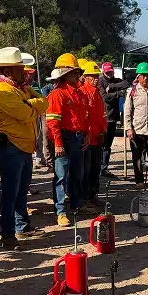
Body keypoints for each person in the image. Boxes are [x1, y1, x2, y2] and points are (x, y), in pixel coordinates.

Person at [0, 47, 50, 248]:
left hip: (23, 148)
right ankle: (7, 235)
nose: (24, 72)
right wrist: (33, 107)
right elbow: (29, 113)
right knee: (10, 194)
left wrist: (31, 104)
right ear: (8, 71)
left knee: (20, 192)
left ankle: (21, 227)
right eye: (19, 68)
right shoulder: (3, 91)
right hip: (11, 149)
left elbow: (44, 102)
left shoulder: (20, 88)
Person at [46, 53, 93, 227]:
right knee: (61, 176)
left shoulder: (79, 94)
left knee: (77, 174)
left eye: (77, 72)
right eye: (74, 73)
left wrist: (87, 135)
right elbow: (53, 121)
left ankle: (76, 205)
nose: (77, 75)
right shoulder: (57, 94)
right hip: (65, 139)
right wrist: (58, 143)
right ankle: (60, 211)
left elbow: (85, 117)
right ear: (65, 75)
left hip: (78, 138)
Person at [80, 61, 108, 205]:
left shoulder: (97, 94)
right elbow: (83, 118)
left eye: (96, 76)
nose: (96, 79)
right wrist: (87, 134)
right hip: (87, 140)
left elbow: (102, 116)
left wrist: (103, 131)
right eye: (92, 77)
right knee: (86, 170)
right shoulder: (82, 93)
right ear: (85, 77)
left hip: (97, 138)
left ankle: (92, 195)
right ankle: (85, 197)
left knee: (95, 169)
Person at [97, 61, 129, 177]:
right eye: (107, 72)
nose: (109, 74)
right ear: (103, 72)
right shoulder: (100, 81)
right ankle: (98, 167)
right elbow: (105, 97)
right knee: (101, 144)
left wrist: (112, 87)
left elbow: (126, 83)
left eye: (110, 71)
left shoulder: (115, 80)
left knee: (108, 145)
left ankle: (104, 168)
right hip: (102, 117)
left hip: (113, 117)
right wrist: (119, 93)